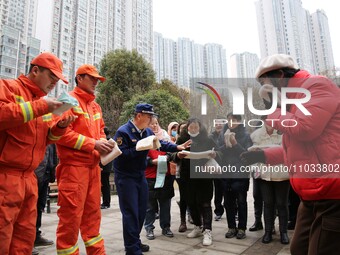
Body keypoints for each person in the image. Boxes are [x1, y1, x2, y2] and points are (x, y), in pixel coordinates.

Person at [242, 54, 340, 255]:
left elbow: (306, 128)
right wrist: (263, 156)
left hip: (332, 193)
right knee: (298, 249)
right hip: (311, 195)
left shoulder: (317, 85)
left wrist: (272, 111)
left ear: (279, 75)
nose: (265, 90)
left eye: (265, 83)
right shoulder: (291, 104)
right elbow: (297, 150)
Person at [0, 52, 75, 255]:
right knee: (2, 237)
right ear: (35, 70)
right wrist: (40, 106)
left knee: (24, 240)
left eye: (57, 79)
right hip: (5, 177)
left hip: (29, 179)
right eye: (52, 77)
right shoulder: (8, 87)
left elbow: (43, 139)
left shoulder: (41, 103)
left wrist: (59, 128)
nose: (54, 83)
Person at [113, 103, 191, 255]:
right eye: (149, 117)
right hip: (126, 177)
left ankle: (135, 240)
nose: (151, 120)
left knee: (141, 211)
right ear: (139, 115)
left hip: (140, 176)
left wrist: (177, 147)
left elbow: (160, 144)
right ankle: (132, 249)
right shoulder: (124, 132)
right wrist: (139, 148)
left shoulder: (147, 131)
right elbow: (120, 156)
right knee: (131, 213)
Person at [55, 64, 114, 254]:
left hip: (92, 170)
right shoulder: (66, 100)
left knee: (92, 222)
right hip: (73, 170)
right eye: (92, 78)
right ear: (79, 78)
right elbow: (59, 133)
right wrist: (93, 144)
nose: (96, 82)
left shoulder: (95, 105)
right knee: (70, 223)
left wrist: (104, 143)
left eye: (98, 79)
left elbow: (102, 131)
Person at [247, 119, 289, 244]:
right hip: (264, 174)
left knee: (282, 203)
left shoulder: (285, 133)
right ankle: (268, 232)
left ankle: (284, 232)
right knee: (268, 203)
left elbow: (289, 151)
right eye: (267, 120)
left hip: (281, 173)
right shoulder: (255, 135)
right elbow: (252, 157)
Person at [179, 118, 219, 246]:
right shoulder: (182, 139)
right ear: (187, 128)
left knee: (205, 203)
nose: (194, 130)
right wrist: (179, 155)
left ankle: (207, 230)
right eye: (191, 127)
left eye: (196, 127)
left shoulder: (207, 139)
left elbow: (219, 151)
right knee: (191, 202)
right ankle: (197, 226)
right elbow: (174, 154)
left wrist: (214, 154)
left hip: (204, 176)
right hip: (187, 176)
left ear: (200, 128)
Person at [221, 113, 252, 240]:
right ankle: (231, 227)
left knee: (241, 201)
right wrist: (225, 144)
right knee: (228, 202)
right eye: (228, 120)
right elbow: (218, 151)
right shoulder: (224, 133)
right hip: (226, 172)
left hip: (241, 173)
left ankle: (242, 228)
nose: (230, 122)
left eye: (233, 120)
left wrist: (234, 143)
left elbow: (247, 155)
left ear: (239, 121)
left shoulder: (246, 136)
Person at [144, 116, 175, 240]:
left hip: (165, 177)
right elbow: (139, 158)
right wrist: (151, 161)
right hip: (150, 177)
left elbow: (172, 151)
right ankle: (149, 228)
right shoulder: (144, 140)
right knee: (150, 206)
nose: (155, 126)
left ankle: (166, 227)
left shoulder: (165, 138)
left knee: (165, 205)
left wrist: (167, 156)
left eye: (156, 123)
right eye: (152, 124)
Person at [34, 144, 58, 252]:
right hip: (34, 174)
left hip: (45, 174)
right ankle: (27, 239)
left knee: (40, 206)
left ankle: (36, 235)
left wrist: (52, 171)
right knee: (29, 209)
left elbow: (53, 153)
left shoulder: (51, 133)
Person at [208, 121, 225, 221]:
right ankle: (218, 211)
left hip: (226, 166)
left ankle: (234, 211)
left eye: (221, 123)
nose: (218, 125)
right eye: (217, 124)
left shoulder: (227, 134)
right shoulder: (210, 137)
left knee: (227, 190)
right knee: (216, 190)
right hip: (214, 166)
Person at [100, 127, 114, 209]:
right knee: (106, 185)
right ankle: (106, 202)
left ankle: (106, 202)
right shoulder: (110, 139)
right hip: (107, 166)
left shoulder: (105, 140)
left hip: (104, 166)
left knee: (104, 185)